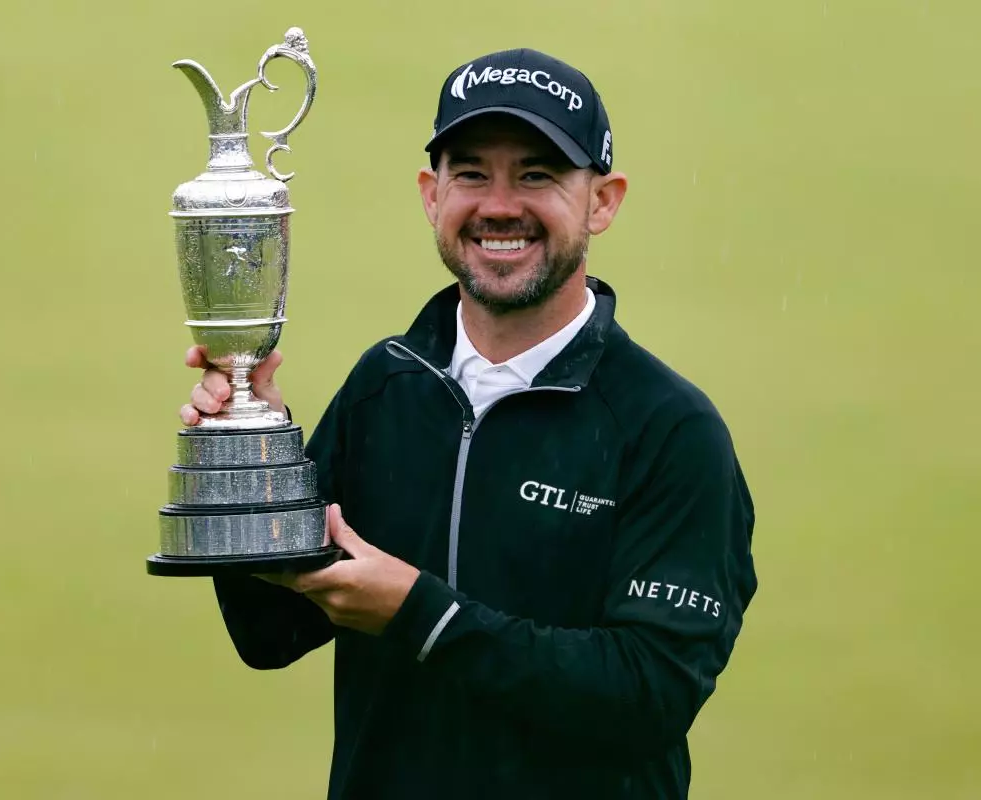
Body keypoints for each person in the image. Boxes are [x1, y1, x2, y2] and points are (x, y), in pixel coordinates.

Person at [180, 47, 758, 800]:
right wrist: (255, 460)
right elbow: (269, 633)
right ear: (431, 194)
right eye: (472, 172)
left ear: (603, 201)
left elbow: (648, 697)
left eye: (538, 174)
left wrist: (424, 615)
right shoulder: (385, 388)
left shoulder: (668, 431)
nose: (499, 205)